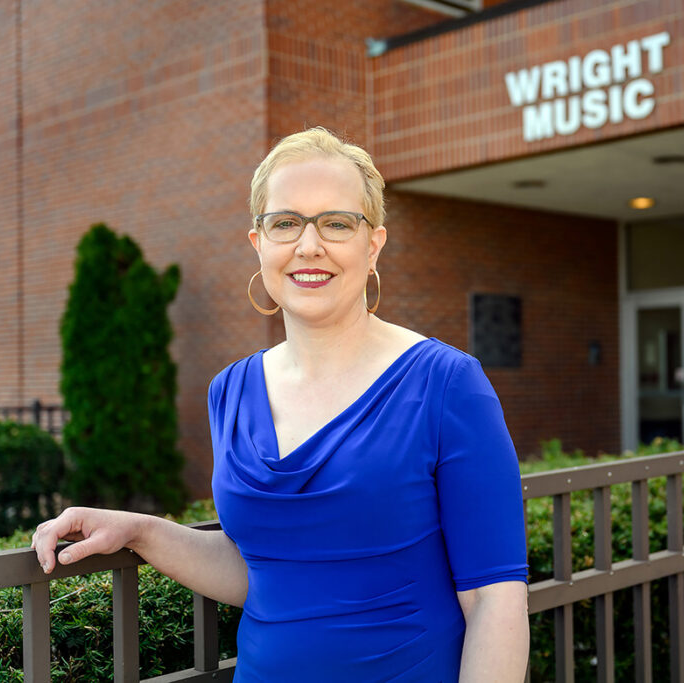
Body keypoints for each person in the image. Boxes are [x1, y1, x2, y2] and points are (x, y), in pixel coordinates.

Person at [31, 127, 530, 682]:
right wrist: (143, 532)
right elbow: (264, 570)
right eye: (285, 223)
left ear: (374, 244)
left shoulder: (448, 384)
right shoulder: (231, 391)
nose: (308, 245)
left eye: (337, 223)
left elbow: (494, 600)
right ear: (259, 243)